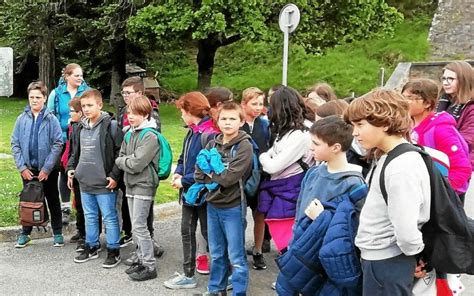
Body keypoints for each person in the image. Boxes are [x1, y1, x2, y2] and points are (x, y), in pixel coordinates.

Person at [345, 89, 431, 296]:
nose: (354, 133)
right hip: (384, 260)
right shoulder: (390, 157)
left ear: (384, 122)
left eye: (360, 125)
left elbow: (406, 229)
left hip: (387, 261)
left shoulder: (400, 166)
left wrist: (414, 255)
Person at [276, 115, 367, 295]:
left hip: (325, 260)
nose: (311, 148)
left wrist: (321, 218)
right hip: (301, 248)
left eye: (316, 144)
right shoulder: (313, 173)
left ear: (335, 147)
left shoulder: (353, 183)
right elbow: (300, 210)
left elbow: (352, 227)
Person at [195, 101, 253, 296]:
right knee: (217, 253)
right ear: (217, 121)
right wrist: (214, 174)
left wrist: (211, 173)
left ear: (241, 121)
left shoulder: (244, 146)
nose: (227, 123)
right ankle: (216, 289)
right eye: (223, 119)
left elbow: (229, 178)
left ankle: (238, 291)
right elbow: (198, 173)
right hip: (213, 205)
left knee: (235, 255)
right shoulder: (212, 143)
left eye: (232, 119)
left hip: (233, 207)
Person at [163, 92, 220, 289]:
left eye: (182, 111)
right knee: (186, 231)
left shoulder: (209, 135)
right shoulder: (191, 132)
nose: (180, 116)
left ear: (190, 111)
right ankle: (188, 275)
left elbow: (208, 169)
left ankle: (225, 272)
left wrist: (184, 181)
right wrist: (178, 173)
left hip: (204, 195)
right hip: (189, 193)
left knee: (209, 234)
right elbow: (183, 158)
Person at [67, 89, 123, 268]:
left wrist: (114, 175)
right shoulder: (79, 127)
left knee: (109, 217)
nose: (86, 109)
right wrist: (70, 168)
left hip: (104, 182)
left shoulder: (111, 126)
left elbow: (119, 153)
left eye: (90, 105)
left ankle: (114, 250)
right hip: (85, 182)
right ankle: (92, 246)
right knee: (90, 216)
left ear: (100, 105)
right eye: (83, 106)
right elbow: (75, 152)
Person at [258, 86, 314, 253]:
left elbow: (273, 166)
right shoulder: (290, 129)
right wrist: (268, 157)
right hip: (285, 190)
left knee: (290, 244)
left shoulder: (300, 134)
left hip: (290, 191)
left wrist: (262, 157)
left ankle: (291, 277)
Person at [12, 81, 64, 248]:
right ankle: (25, 233)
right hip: (28, 169)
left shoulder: (51, 119)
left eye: (38, 97)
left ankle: (57, 233)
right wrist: (22, 167)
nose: (34, 100)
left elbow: (57, 143)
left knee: (52, 199)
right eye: (31, 97)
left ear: (44, 98)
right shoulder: (21, 119)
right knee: (29, 200)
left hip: (47, 170)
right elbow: (15, 144)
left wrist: (47, 168)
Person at [118, 76, 164, 260]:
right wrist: (125, 160)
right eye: (123, 93)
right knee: (136, 221)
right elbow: (122, 153)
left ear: (139, 93)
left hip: (144, 179)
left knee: (142, 221)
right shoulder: (126, 116)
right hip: (130, 178)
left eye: (128, 93)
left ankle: (148, 257)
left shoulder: (151, 121)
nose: (125, 96)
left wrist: (125, 160)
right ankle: (143, 251)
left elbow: (139, 159)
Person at [403, 79, 471, 198]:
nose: (404, 102)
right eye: (403, 97)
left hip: (441, 196)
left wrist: (439, 194)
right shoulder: (407, 125)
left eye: (410, 98)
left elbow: (462, 168)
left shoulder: (441, 129)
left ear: (428, 103)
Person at [47, 63, 89, 225]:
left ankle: (83, 205)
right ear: (67, 76)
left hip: (83, 137)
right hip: (63, 139)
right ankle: (65, 208)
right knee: (64, 172)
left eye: (81, 75)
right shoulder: (56, 93)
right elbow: (50, 116)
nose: (80, 78)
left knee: (82, 171)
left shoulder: (86, 92)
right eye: (76, 75)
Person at [240, 87, 272, 270]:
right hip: (243, 177)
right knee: (240, 217)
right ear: (244, 104)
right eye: (254, 103)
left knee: (260, 214)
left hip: (261, 176)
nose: (258, 107)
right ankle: (238, 249)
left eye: (261, 103)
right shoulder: (238, 123)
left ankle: (258, 250)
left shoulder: (265, 125)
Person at [436, 61, 474, 168]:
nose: (446, 83)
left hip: (465, 165)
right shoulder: (442, 102)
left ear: (464, 80)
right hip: (444, 159)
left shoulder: (471, 107)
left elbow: (467, 141)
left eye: (451, 79)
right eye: (444, 78)